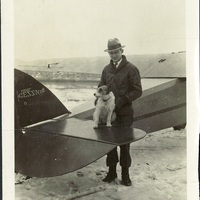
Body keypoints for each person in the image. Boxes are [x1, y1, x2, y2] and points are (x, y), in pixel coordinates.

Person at [98, 38, 142, 186]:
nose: (113, 55)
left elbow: (137, 91)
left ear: (121, 51)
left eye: (116, 52)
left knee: (124, 144)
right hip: (108, 114)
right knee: (109, 144)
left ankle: (125, 174)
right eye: (111, 53)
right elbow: (100, 87)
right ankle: (111, 173)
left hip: (124, 114)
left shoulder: (131, 69)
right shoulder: (106, 69)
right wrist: (100, 99)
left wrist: (122, 100)